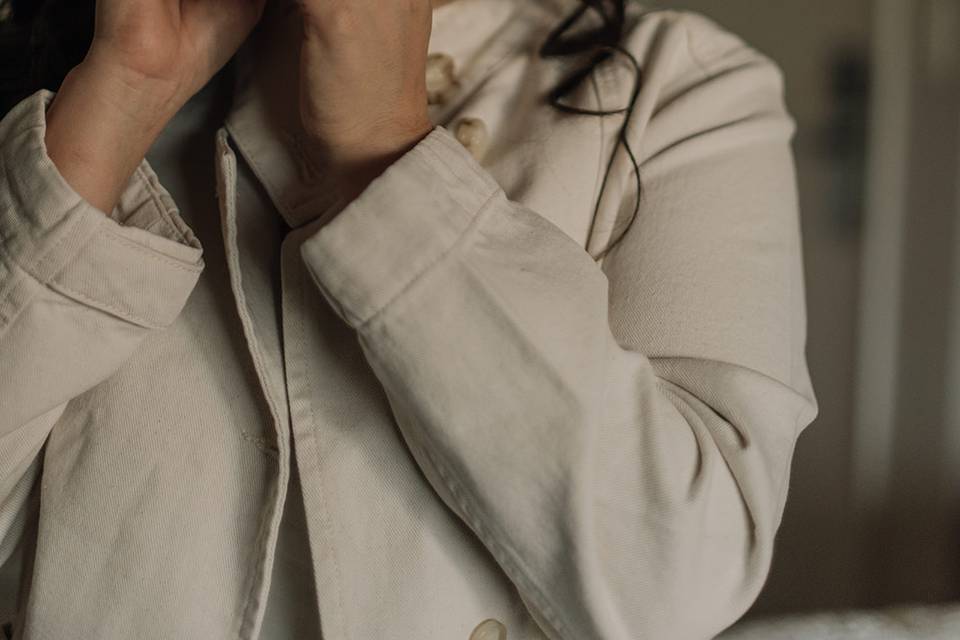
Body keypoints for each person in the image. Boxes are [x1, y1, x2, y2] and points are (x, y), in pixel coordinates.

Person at [0, 0, 818, 638]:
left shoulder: (688, 88)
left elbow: (672, 581)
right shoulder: (65, 78)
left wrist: (382, 152)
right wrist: (123, 96)